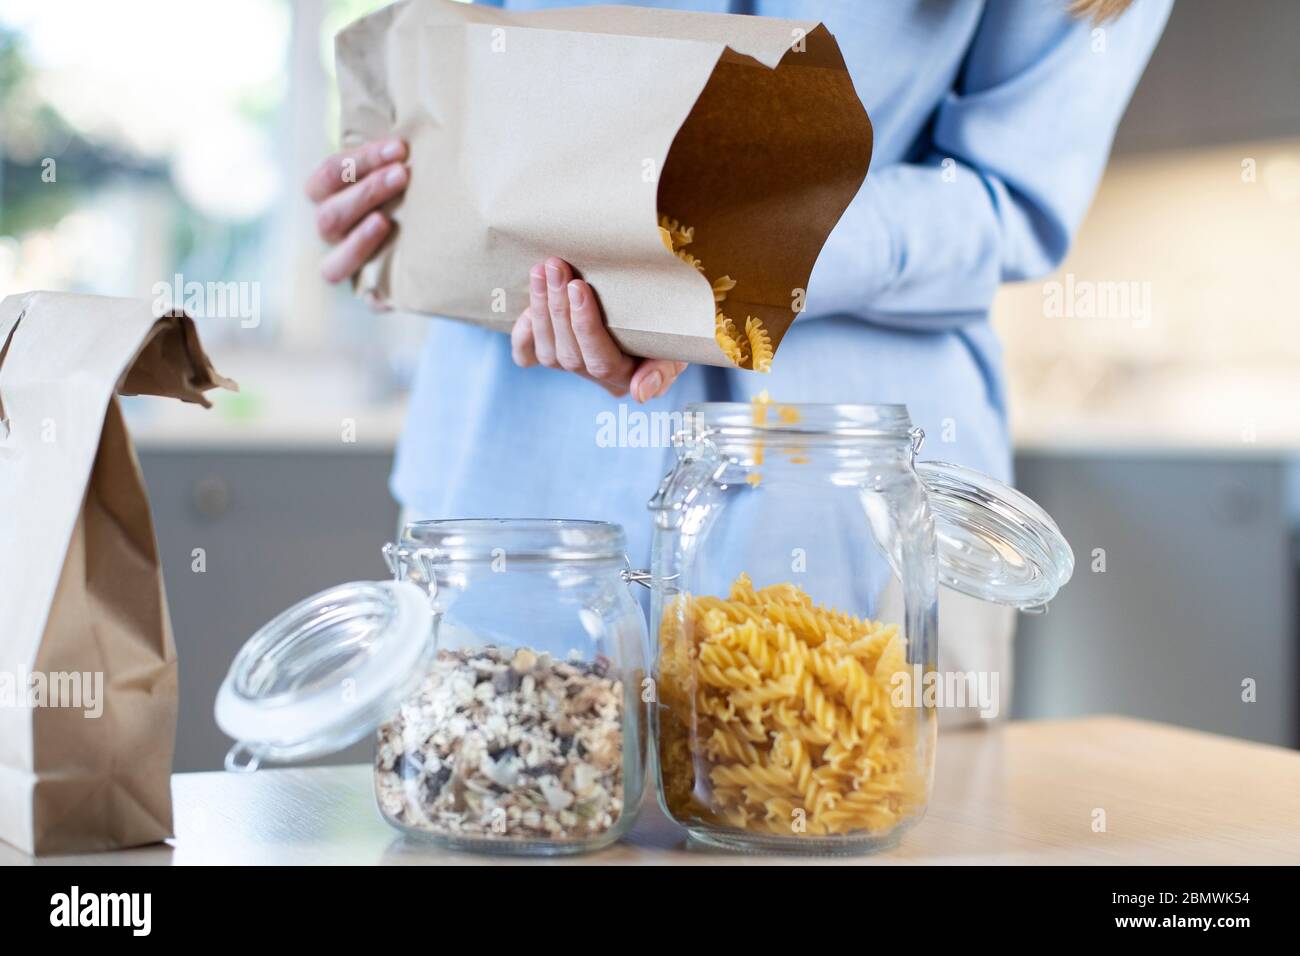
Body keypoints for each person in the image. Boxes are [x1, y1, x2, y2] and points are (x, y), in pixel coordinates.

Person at [306, 0, 1171, 724]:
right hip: (513, 523)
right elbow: (460, 75)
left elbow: (1007, 196)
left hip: (861, 536)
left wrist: (714, 264)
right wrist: (395, 200)